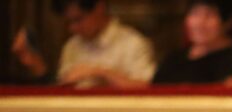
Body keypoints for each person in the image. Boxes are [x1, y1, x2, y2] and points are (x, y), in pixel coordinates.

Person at [10, 0, 154, 88]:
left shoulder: (133, 43)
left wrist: (100, 72)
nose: (73, 28)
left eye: (78, 20)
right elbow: (62, 92)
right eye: (69, 22)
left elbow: (148, 88)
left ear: (100, 7)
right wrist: (36, 65)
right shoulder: (71, 46)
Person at [151, 0, 232, 85]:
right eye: (194, 13)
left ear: (229, 22)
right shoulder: (173, 59)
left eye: (209, 15)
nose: (199, 23)